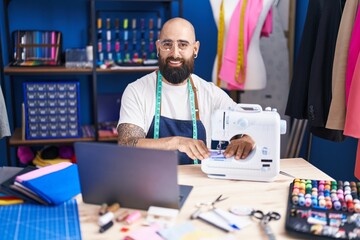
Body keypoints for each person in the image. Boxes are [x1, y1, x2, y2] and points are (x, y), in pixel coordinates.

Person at [117, 17, 255, 165]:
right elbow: (126, 144)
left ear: (195, 49)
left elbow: (251, 126)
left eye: (183, 45)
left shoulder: (212, 94)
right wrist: (175, 143)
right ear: (158, 47)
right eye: (167, 44)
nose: (175, 53)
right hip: (151, 183)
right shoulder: (136, 91)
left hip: (199, 184)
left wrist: (247, 139)